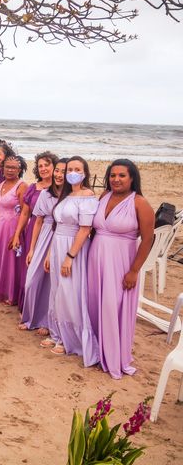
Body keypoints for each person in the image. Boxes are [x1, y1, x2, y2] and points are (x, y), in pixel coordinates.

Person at [87, 159, 154, 379]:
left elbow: (147, 240)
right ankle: (97, 350)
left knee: (112, 307)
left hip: (121, 262)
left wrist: (134, 270)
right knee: (95, 304)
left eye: (122, 175)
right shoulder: (104, 196)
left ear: (132, 178)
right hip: (96, 259)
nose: (116, 179)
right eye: (113, 175)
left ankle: (114, 356)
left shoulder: (139, 203)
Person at [41, 156, 99, 366]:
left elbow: (85, 229)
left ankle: (70, 340)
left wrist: (70, 257)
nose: (72, 172)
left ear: (85, 172)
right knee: (56, 290)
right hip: (57, 244)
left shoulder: (87, 196)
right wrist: (49, 254)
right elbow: (56, 227)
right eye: (70, 169)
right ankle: (57, 333)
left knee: (69, 291)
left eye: (77, 169)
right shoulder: (67, 195)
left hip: (73, 247)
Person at [19, 158, 67, 335]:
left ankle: (47, 322)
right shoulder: (46, 193)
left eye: (62, 171)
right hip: (44, 235)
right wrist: (32, 248)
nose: (58, 174)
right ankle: (30, 318)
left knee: (52, 283)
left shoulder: (70, 195)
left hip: (60, 236)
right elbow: (38, 220)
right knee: (32, 279)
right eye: (58, 171)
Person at [10, 151, 58, 309]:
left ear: (55, 166)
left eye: (47, 165)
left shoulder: (61, 188)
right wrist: (17, 234)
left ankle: (43, 309)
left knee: (48, 271)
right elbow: (25, 213)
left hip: (54, 233)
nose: (43, 168)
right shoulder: (33, 188)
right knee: (30, 268)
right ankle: (27, 306)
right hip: (33, 230)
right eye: (40, 166)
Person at [0, 155, 28, 305]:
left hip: (13, 227)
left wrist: (17, 234)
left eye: (13, 167)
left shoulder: (22, 186)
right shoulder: (1, 184)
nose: (9, 170)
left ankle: (13, 295)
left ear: (19, 170)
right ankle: (1, 291)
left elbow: (24, 212)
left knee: (12, 261)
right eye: (7, 167)